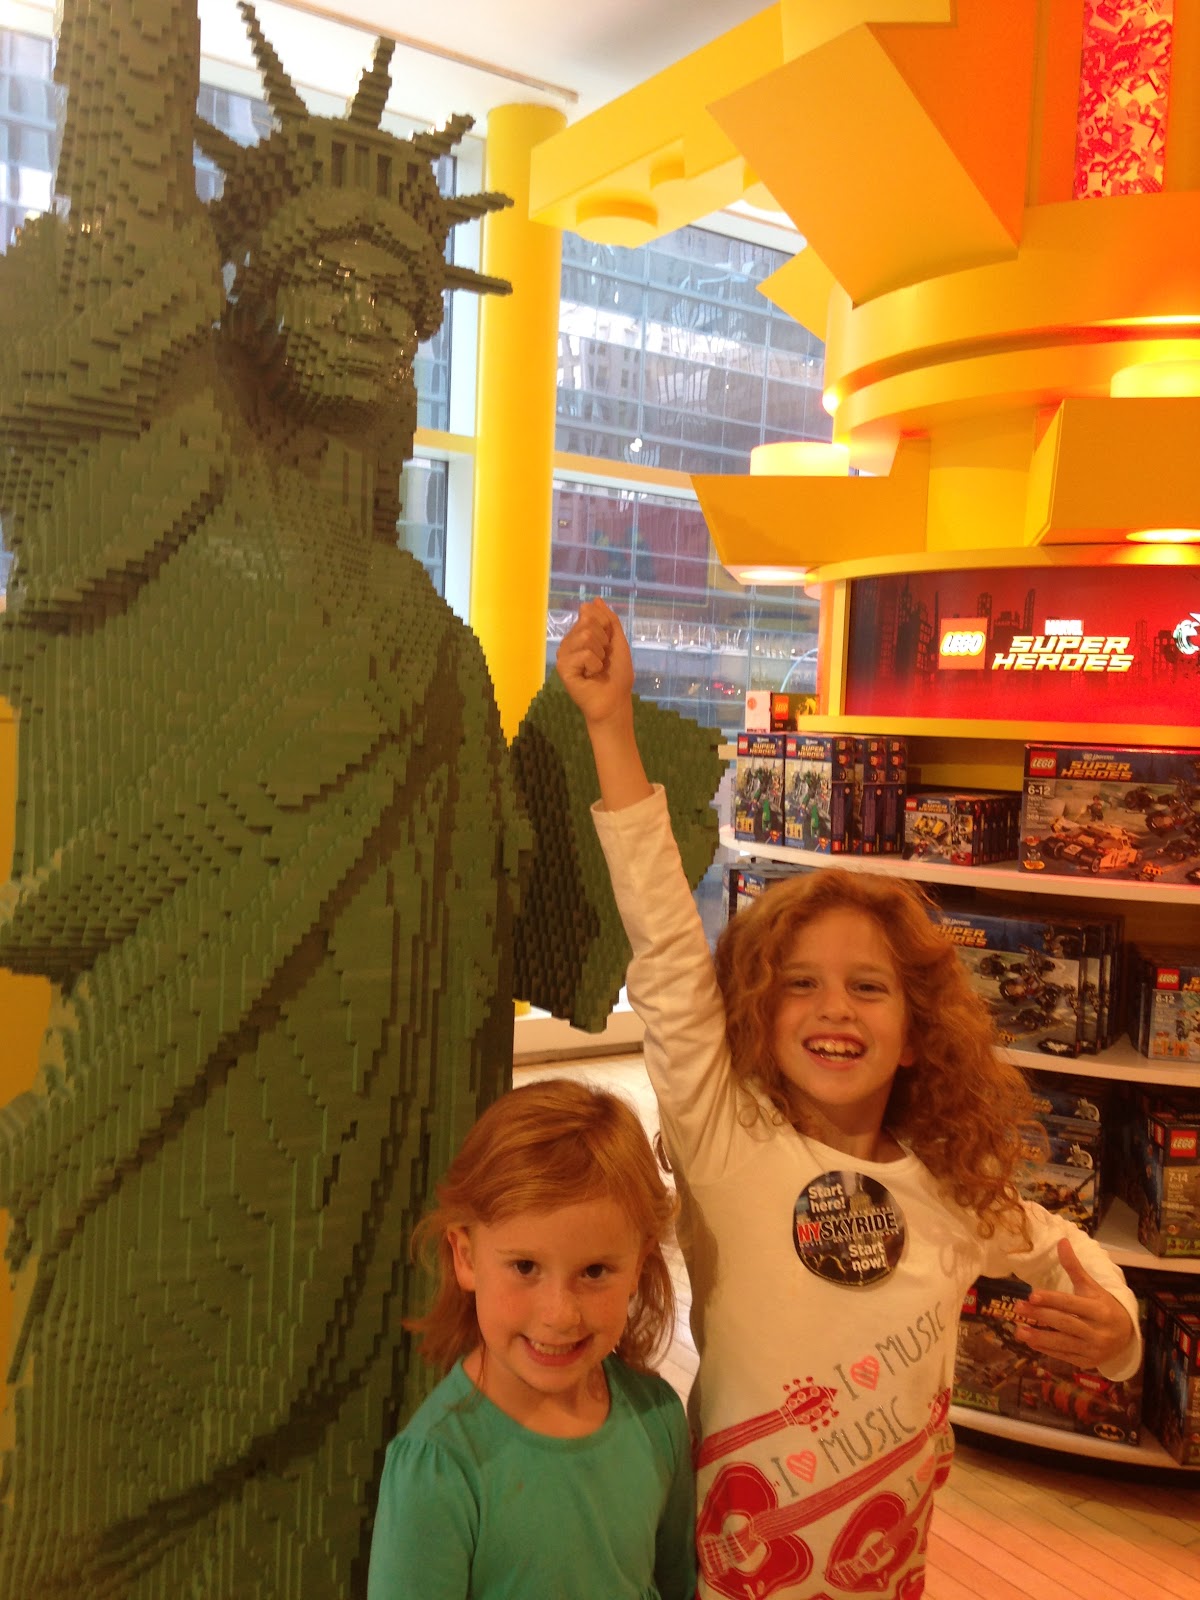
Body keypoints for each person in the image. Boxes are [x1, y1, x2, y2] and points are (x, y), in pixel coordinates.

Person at [556, 598, 1141, 1600]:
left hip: (890, 1570)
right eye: (800, 982)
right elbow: (660, 931)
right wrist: (611, 724)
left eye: (869, 987)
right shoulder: (726, 1137)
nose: (836, 1010)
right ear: (754, 1008)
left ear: (917, 1031)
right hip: (730, 1570)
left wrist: (1121, 1331)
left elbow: (1059, 1247)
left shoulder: (952, 1188)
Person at [367, 1078, 697, 1600]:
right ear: (466, 1256)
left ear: (640, 1263)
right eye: (525, 1266)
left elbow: (677, 1583)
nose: (560, 1315)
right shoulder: (437, 1469)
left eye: (594, 1271)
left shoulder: (657, 1418)